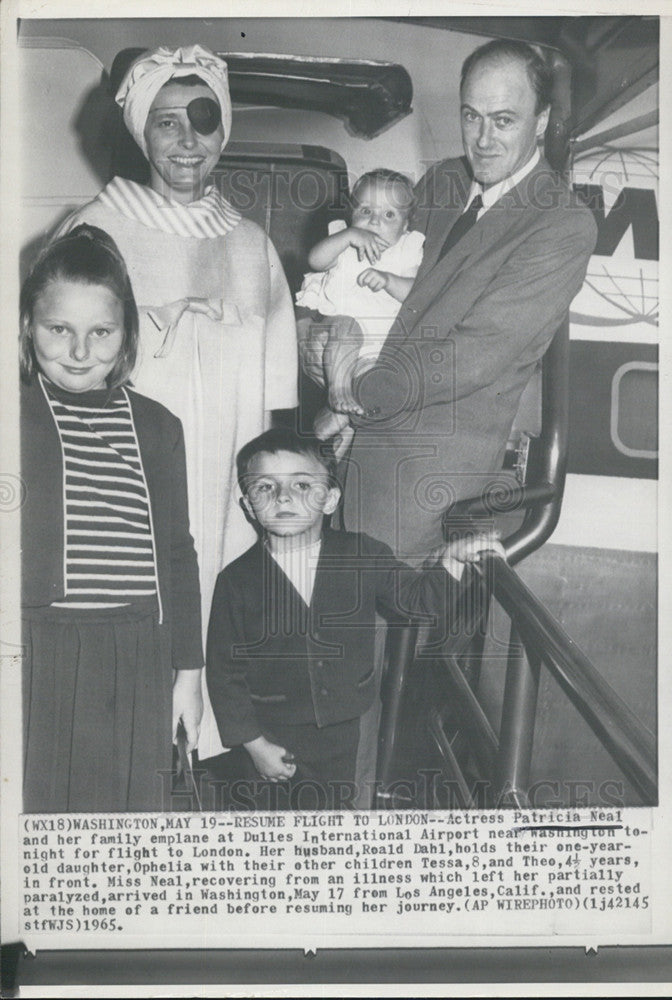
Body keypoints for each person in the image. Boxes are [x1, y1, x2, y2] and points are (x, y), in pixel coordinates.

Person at [57, 45, 298, 758]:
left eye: (203, 121)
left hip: (227, 483)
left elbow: (278, 394)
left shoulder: (253, 245)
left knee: (215, 638)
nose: (187, 141)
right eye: (167, 123)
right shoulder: (96, 229)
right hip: (128, 484)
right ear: (141, 132)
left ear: (224, 130)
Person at [319, 39, 597, 562]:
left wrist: (348, 386)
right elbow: (371, 286)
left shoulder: (562, 225)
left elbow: (468, 358)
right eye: (471, 116)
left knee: (377, 634)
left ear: (541, 120)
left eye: (504, 120)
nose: (483, 140)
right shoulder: (444, 181)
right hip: (348, 451)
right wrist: (328, 345)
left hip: (425, 482)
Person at [205, 428, 498, 810]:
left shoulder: (363, 554)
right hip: (269, 728)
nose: (284, 497)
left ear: (330, 500)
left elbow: (416, 602)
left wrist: (452, 563)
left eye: (303, 485)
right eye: (265, 487)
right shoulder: (236, 581)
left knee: (329, 814)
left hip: (341, 731)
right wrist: (254, 745)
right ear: (247, 506)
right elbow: (225, 673)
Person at [19, 224, 203, 812]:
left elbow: (178, 553)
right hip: (38, 648)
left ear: (126, 335)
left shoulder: (156, 427)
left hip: (135, 651)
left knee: (126, 821)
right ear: (27, 326)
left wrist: (188, 675)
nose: (79, 352)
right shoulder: (11, 415)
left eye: (101, 332)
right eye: (58, 330)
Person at [296, 169, 424, 447]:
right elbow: (315, 261)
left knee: (368, 396)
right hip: (336, 334)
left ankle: (336, 433)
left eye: (389, 215)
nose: (374, 221)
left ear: (405, 226)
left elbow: (417, 293)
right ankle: (338, 390)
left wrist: (390, 280)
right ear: (352, 215)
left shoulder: (408, 250)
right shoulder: (343, 240)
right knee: (347, 327)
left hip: (376, 350)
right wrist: (347, 237)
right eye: (365, 210)